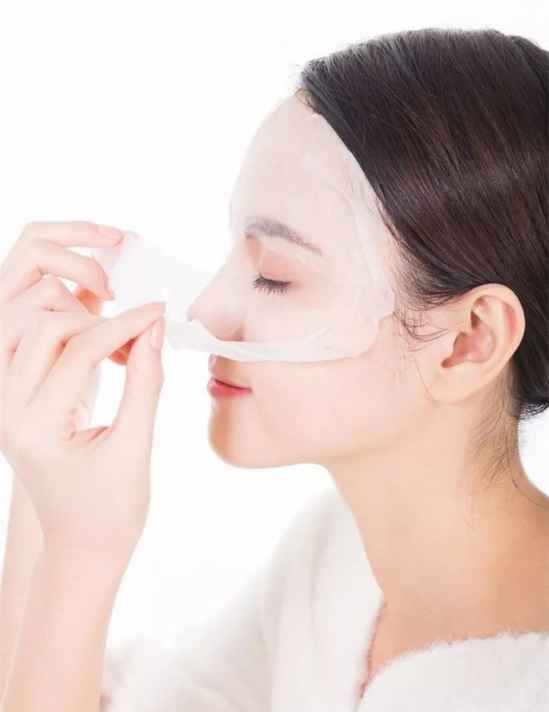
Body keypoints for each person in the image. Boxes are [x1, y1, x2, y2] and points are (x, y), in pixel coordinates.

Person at [0, 26, 548, 711]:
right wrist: (47, 484)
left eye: (275, 275)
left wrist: (80, 556)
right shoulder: (338, 566)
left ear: (467, 341)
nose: (207, 308)